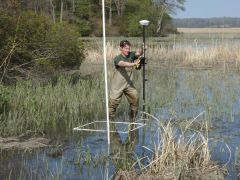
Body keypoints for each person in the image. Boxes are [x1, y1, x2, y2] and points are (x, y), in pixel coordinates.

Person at [109, 40, 143, 124]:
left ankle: (132, 119)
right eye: (125, 48)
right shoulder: (117, 58)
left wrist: (143, 48)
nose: (127, 50)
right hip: (117, 85)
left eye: (129, 48)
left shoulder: (131, 55)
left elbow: (139, 53)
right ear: (121, 48)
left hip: (128, 84)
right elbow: (123, 64)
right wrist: (134, 63)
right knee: (113, 103)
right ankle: (110, 120)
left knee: (135, 99)